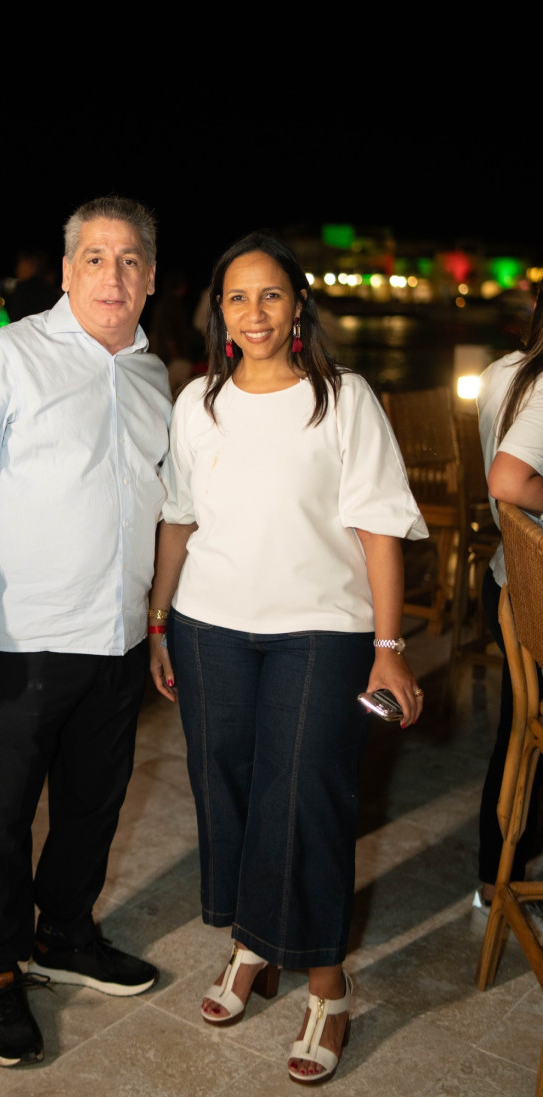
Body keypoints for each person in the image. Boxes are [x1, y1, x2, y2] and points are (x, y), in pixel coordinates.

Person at [148, 231, 427, 1085]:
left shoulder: (342, 399)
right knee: (225, 787)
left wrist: (389, 648)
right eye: (238, 297)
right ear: (218, 311)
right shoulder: (196, 401)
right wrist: (160, 619)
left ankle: (326, 983)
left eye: (271, 295)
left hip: (322, 630)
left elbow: (380, 526)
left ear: (298, 305)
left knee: (305, 796)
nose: (255, 312)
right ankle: (249, 948)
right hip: (207, 627)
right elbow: (178, 516)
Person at [0, 196, 170, 1069]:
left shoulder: (154, 375)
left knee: (93, 806)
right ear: (65, 273)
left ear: (151, 278)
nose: (113, 274)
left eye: (130, 259)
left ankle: (64, 934)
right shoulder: (5, 358)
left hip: (117, 635)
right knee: (0, 815)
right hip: (19, 634)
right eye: (95, 257)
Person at [475, 285, 543, 917]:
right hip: (533, 586)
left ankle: (495, 878)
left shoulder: (501, 373)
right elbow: (508, 479)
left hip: (509, 576)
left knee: (516, 729)